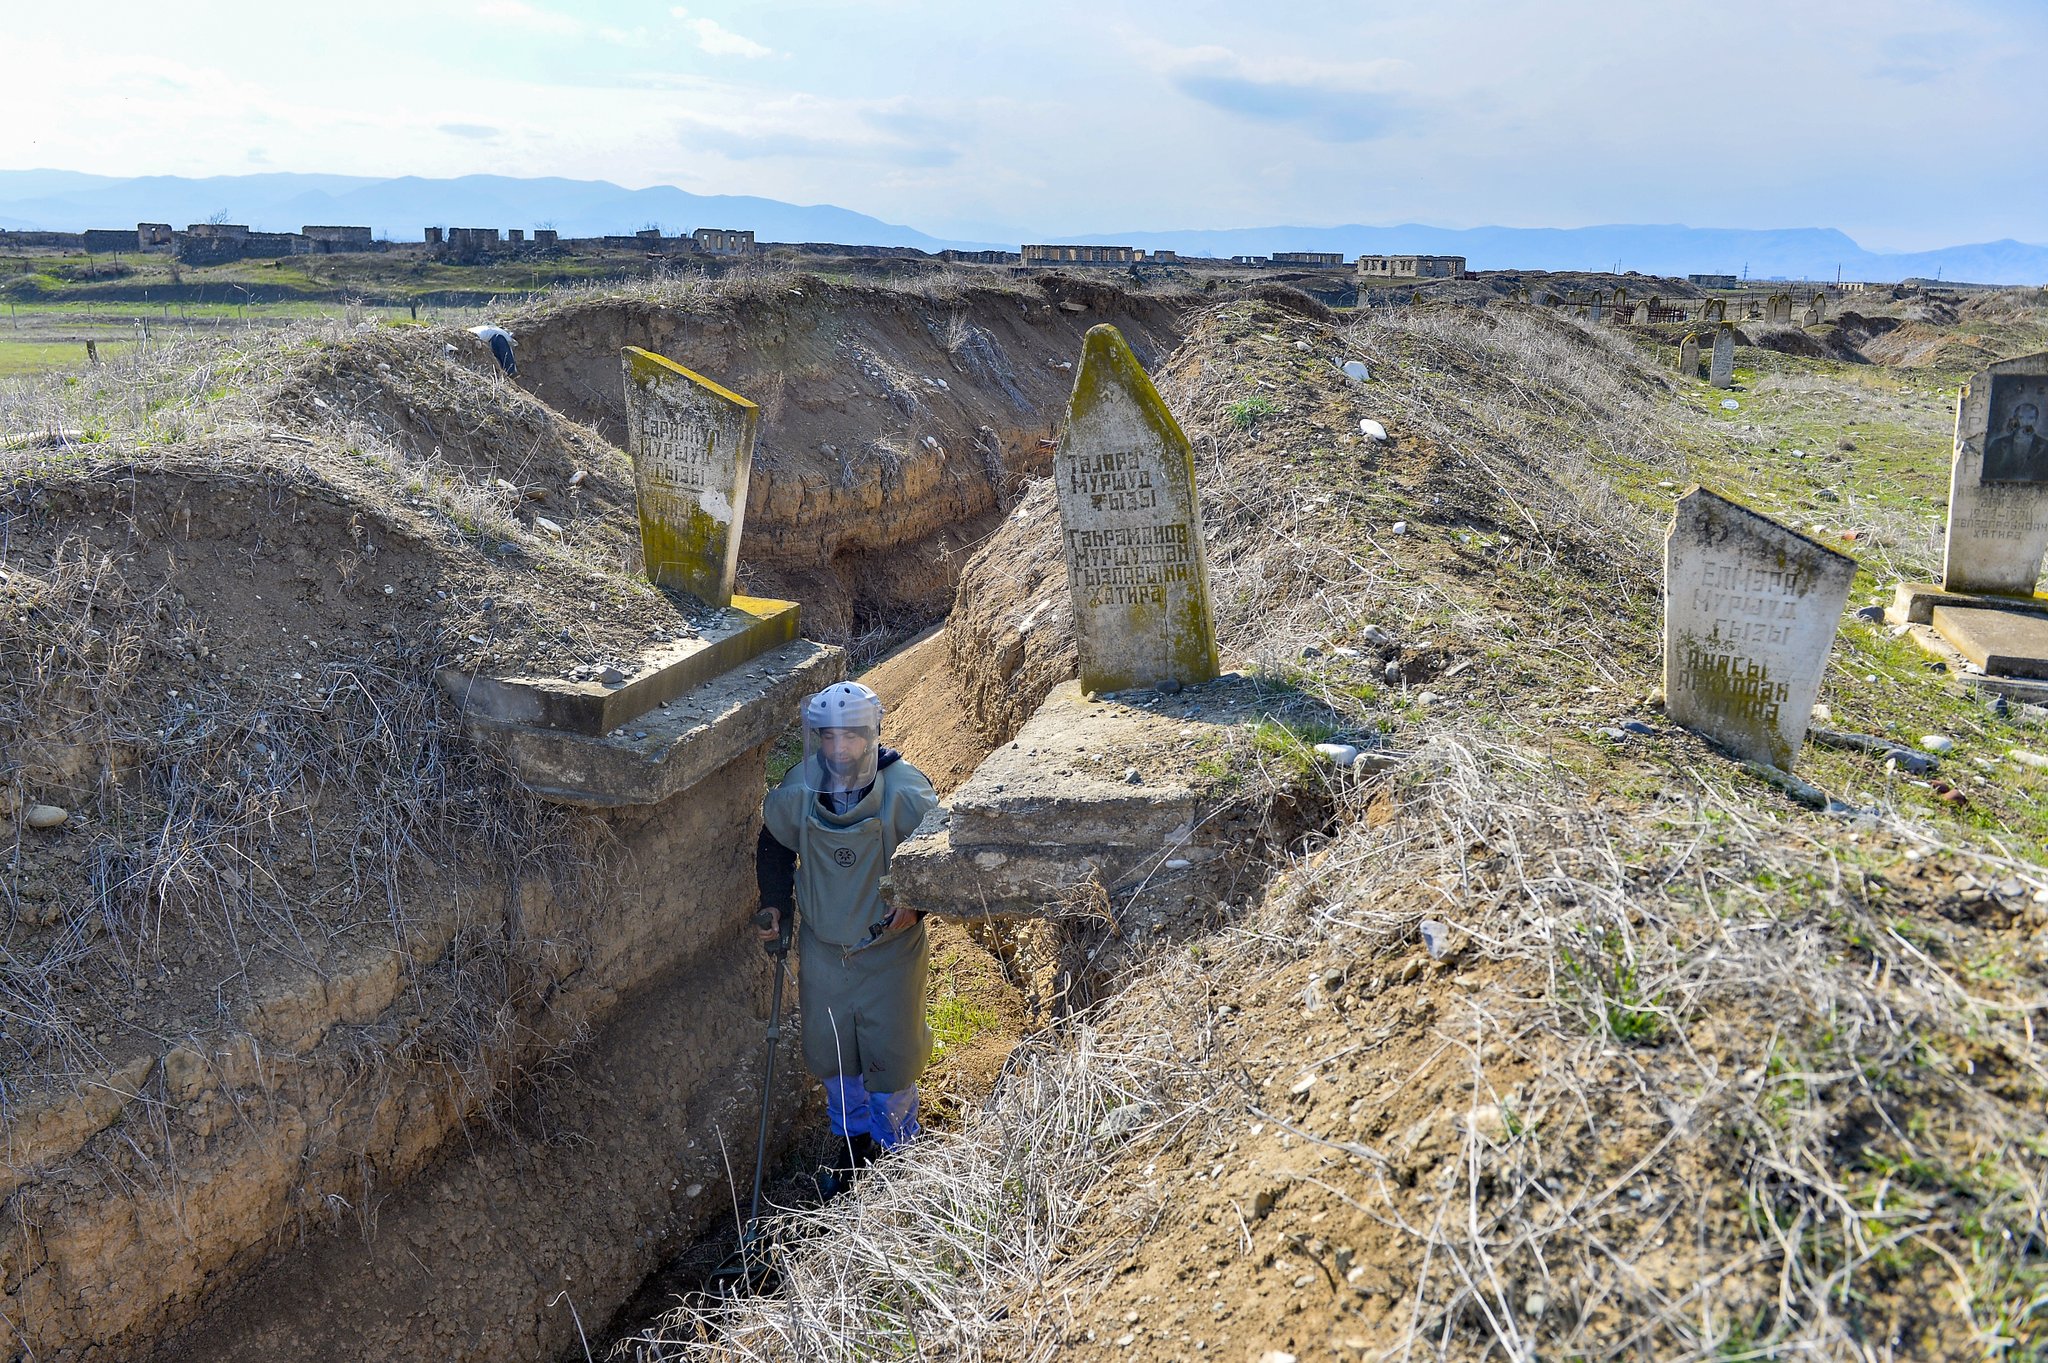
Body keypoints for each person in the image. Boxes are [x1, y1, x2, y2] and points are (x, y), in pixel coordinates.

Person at [756, 681, 939, 1194]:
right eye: (828, 738)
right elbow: (773, 845)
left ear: (871, 735)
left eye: (851, 739)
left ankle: (899, 1150)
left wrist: (917, 901)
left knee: (891, 1055)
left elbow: (938, 853)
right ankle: (852, 1147)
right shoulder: (800, 789)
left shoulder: (904, 792)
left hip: (889, 955)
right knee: (835, 1055)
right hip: (823, 952)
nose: (839, 750)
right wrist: (774, 904)